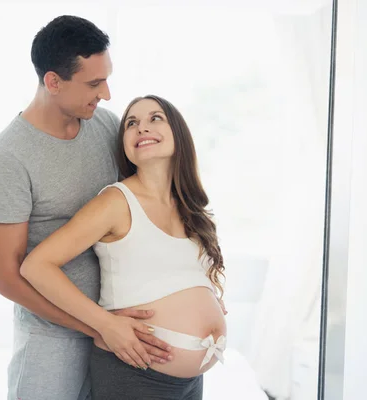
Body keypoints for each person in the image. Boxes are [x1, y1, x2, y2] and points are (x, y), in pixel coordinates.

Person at [0, 16, 171, 400]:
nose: (108, 93)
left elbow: (148, 207)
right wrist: (97, 325)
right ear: (53, 82)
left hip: (116, 330)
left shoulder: (106, 126)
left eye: (107, 78)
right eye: (94, 83)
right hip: (53, 341)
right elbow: (7, 277)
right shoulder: (8, 158)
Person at [20, 94, 228, 400]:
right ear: (125, 145)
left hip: (190, 383)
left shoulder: (190, 208)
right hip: (136, 373)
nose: (142, 128)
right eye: (132, 123)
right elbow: (36, 266)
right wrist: (105, 324)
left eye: (155, 118)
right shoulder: (116, 202)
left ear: (179, 134)